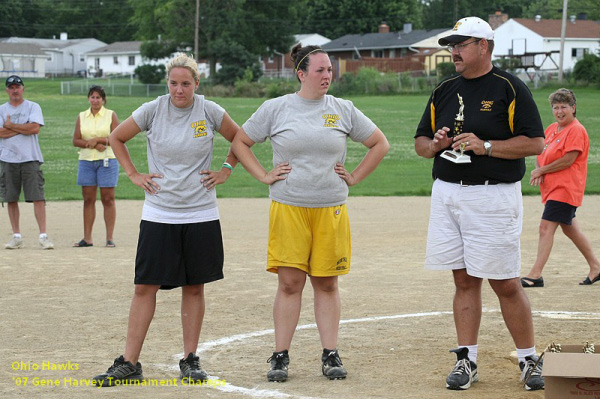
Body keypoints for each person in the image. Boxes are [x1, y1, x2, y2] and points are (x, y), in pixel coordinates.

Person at [232, 44, 389, 382]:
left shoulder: (343, 109)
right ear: (301, 74)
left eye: (330, 70)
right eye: (320, 70)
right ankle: (280, 356)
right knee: (290, 283)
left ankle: (330, 354)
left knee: (326, 282)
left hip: (330, 206)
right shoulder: (277, 108)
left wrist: (356, 177)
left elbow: (380, 143)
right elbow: (240, 142)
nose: (327, 75)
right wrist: (263, 175)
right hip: (289, 206)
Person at [414, 17, 546, 391]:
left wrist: (486, 146)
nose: (453, 51)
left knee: (504, 282)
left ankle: (528, 359)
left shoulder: (509, 87)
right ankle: (466, 359)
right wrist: (437, 144)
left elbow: (535, 143)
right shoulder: (444, 89)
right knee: (463, 279)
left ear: (484, 46)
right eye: (451, 44)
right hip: (447, 192)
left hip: (492, 195)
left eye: (461, 43)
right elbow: (421, 145)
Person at [92, 53, 240, 386]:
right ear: (167, 83)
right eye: (173, 83)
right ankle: (130, 362)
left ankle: (189, 359)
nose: (179, 90)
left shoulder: (209, 110)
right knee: (145, 286)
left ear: (196, 83)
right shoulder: (153, 109)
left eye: (186, 83)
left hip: (201, 212)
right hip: (160, 212)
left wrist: (226, 170)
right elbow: (117, 137)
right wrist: (132, 173)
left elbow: (240, 138)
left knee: (194, 285)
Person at [521, 88, 600, 287]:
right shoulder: (552, 129)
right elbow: (541, 151)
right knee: (570, 229)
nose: (559, 111)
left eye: (564, 107)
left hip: (565, 189)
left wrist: (542, 170)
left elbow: (568, 159)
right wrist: (539, 168)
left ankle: (535, 274)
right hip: (553, 189)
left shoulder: (576, 130)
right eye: (555, 107)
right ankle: (596, 267)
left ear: (573, 108)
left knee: (545, 228)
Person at [0, 75, 54, 250]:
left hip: (30, 157)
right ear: (7, 90)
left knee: (38, 197)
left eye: (17, 87)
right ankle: (16, 236)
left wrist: (10, 126)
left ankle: (43, 236)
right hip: (8, 159)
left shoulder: (32, 106)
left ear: (23, 89)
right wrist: (22, 127)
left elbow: (35, 128)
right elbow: (1, 133)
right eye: (11, 87)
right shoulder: (1, 109)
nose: (15, 90)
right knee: (11, 198)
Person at [72, 85, 120, 247]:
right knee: (88, 199)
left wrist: (100, 140)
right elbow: (76, 140)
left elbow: (117, 137)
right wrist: (91, 144)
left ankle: (109, 238)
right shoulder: (82, 116)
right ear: (88, 99)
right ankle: (87, 238)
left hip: (107, 160)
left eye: (98, 97)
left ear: (103, 99)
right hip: (86, 161)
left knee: (108, 198)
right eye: (92, 97)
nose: (95, 100)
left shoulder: (110, 115)